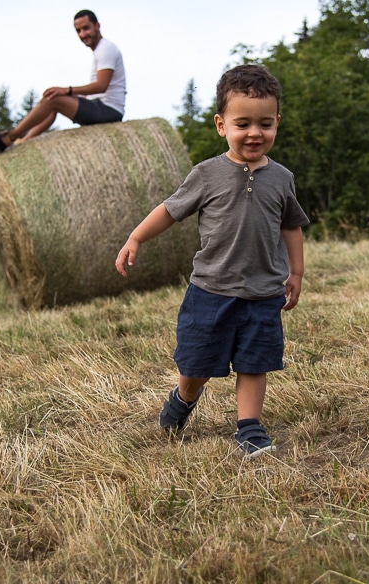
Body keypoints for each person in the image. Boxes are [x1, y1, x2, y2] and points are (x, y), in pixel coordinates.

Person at [114, 64, 309, 457]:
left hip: (262, 292)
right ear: (222, 125)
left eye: (265, 124)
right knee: (197, 366)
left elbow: (291, 226)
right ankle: (184, 398)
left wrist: (297, 271)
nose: (254, 132)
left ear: (277, 124)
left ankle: (249, 428)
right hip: (210, 290)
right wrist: (136, 236)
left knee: (255, 362)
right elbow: (170, 210)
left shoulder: (282, 178)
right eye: (243, 123)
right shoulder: (207, 174)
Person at [0, 9, 126, 151]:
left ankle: (8, 137)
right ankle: (22, 142)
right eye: (78, 31)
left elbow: (101, 86)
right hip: (99, 106)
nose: (82, 34)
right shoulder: (101, 50)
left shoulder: (105, 49)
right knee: (53, 99)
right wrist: (71, 96)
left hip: (108, 112)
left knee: (53, 99)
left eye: (86, 28)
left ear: (97, 26)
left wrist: (67, 90)